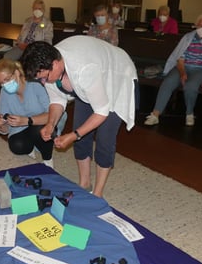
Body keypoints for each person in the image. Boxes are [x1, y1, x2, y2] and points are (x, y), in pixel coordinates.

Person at [20, 36, 138, 198]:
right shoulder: (49, 65)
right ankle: (85, 183)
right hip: (91, 80)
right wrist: (50, 124)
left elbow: (101, 111)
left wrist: (74, 135)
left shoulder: (84, 70)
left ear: (55, 65)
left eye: (43, 78)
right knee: (81, 133)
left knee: (104, 139)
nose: (42, 82)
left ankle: (97, 193)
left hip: (116, 76)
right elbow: (57, 100)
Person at [144, 13, 202, 126]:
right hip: (182, 67)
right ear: (196, 25)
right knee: (167, 82)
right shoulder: (188, 37)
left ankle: (189, 113)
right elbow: (179, 58)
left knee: (191, 86)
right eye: (200, 25)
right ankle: (155, 114)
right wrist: (182, 73)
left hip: (200, 70)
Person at [0, 59, 60, 168]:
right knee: (17, 146)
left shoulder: (35, 85)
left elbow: (53, 114)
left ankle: (47, 159)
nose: (5, 85)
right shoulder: (4, 92)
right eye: (1, 82)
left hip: (42, 123)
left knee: (39, 131)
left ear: (17, 72)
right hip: (20, 129)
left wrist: (27, 120)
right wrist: (0, 124)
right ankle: (32, 146)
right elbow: (6, 129)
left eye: (7, 79)